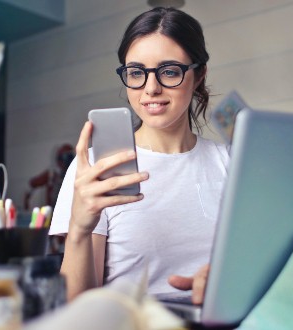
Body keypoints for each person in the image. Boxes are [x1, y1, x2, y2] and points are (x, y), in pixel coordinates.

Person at [49, 7, 229, 304]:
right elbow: (78, 310)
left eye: (169, 71)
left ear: (199, 75)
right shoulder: (97, 168)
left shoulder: (231, 163)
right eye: (136, 73)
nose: (151, 88)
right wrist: (79, 229)